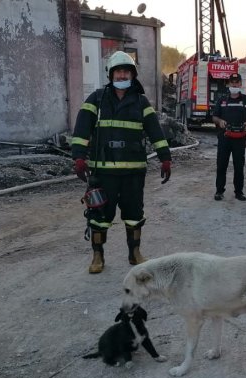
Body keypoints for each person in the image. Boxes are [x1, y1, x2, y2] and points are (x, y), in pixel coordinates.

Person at [70, 51, 171, 274]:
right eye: (118, 71)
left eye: (126, 71)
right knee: (99, 216)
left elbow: (155, 131)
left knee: (134, 214)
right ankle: (98, 256)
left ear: (133, 75)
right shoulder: (96, 99)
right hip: (102, 172)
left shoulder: (141, 102)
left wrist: (165, 158)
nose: (122, 74)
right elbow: (81, 130)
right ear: (111, 74)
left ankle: (134, 253)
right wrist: (78, 156)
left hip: (134, 172)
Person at [211, 72, 246, 201]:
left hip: (240, 138)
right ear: (229, 83)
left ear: (241, 84)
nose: (234, 84)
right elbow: (214, 116)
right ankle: (219, 191)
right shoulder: (222, 99)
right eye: (232, 82)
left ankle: (239, 192)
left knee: (239, 166)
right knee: (221, 165)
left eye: (237, 82)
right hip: (224, 137)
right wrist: (219, 122)